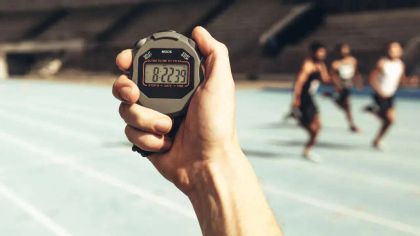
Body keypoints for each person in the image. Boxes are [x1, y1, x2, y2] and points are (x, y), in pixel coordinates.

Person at [112, 26, 282, 236]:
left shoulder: (150, 54)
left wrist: (212, 159)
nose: (166, 76)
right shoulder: (184, 53)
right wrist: (208, 167)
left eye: (172, 73)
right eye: (159, 72)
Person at [364, 41, 410, 149]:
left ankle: (377, 140)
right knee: (390, 119)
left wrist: (411, 81)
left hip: (390, 95)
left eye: (396, 49)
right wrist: (380, 91)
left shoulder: (400, 64)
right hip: (380, 95)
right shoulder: (382, 63)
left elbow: (402, 80)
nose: (393, 51)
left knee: (389, 121)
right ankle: (374, 111)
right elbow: (372, 79)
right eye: (391, 49)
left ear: (400, 51)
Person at [292, 41, 330, 161]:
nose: (322, 54)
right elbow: (299, 83)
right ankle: (299, 119)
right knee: (313, 129)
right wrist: (296, 99)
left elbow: (325, 79)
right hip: (304, 99)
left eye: (324, 52)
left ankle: (307, 150)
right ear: (314, 53)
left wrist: (336, 77)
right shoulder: (308, 65)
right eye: (320, 52)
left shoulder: (321, 65)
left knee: (318, 127)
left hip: (311, 98)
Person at [326, 43, 363, 132]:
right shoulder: (336, 64)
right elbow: (332, 75)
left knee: (346, 106)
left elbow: (356, 72)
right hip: (340, 86)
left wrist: (358, 82)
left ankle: (351, 124)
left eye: (346, 49)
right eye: (343, 49)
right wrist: (337, 85)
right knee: (346, 106)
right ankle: (352, 124)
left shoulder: (352, 60)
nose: (345, 51)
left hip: (348, 86)